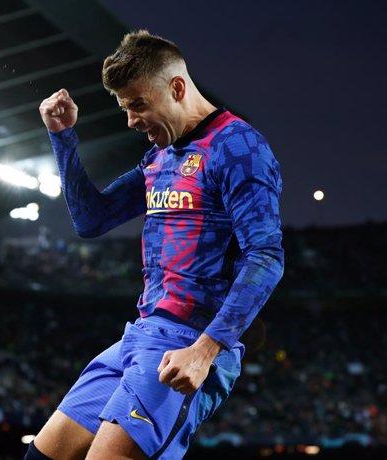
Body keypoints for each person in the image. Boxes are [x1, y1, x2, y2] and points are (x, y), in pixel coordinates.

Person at [27, 30, 284, 460]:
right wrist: (62, 138)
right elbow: (92, 220)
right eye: (124, 107)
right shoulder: (159, 158)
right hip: (138, 336)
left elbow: (266, 257)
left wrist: (206, 350)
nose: (130, 120)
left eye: (137, 104)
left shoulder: (239, 147)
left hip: (187, 342)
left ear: (177, 88)